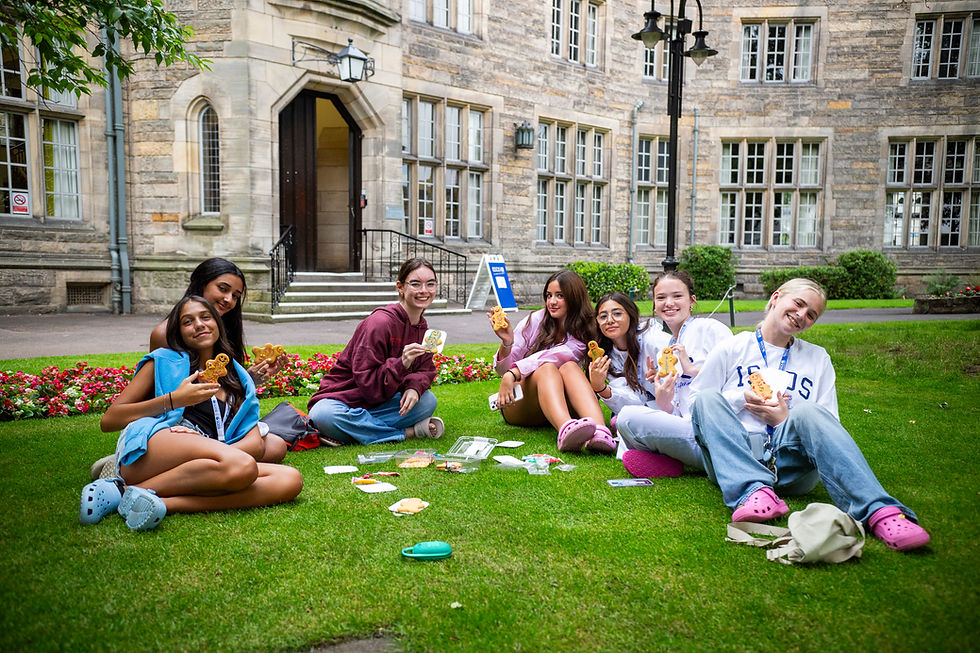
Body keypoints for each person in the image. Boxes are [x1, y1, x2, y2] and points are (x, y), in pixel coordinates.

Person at [689, 278, 930, 551]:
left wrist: (783, 419)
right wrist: (740, 397)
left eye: (811, 314)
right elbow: (696, 404)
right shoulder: (733, 347)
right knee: (709, 397)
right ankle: (752, 491)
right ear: (777, 297)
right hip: (736, 458)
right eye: (799, 304)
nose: (801, 315)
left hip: (792, 464)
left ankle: (881, 513)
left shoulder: (818, 358)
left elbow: (829, 426)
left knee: (807, 411)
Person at [78, 295, 303, 531]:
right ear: (179, 332)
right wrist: (175, 400)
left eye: (206, 317)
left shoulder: (239, 378)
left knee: (289, 480)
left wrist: (211, 456)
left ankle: (159, 502)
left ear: (218, 323)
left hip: (207, 462)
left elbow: (254, 443)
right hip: (156, 444)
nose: (198, 324)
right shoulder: (162, 361)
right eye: (188, 321)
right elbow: (109, 420)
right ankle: (117, 488)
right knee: (243, 465)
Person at [90, 258, 289, 476]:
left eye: (235, 296)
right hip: (176, 424)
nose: (228, 299)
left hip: (215, 428)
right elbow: (159, 387)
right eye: (222, 289)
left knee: (276, 446)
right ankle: (150, 460)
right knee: (250, 453)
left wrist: (250, 378)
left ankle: (217, 462)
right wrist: (175, 400)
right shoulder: (166, 340)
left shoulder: (222, 332)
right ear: (202, 283)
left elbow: (221, 389)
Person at [306, 258, 444, 444]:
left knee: (427, 401)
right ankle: (408, 432)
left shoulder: (422, 326)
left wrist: (414, 387)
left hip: (381, 403)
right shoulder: (379, 323)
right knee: (323, 416)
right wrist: (401, 364)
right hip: (345, 399)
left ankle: (351, 431)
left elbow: (425, 369)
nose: (424, 291)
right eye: (415, 284)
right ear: (400, 287)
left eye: (430, 284)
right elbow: (367, 384)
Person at [615, 271, 732, 478]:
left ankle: (706, 460)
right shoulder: (664, 353)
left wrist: (693, 370)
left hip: (716, 430)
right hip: (688, 430)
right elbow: (672, 410)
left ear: (692, 301)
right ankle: (680, 460)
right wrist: (663, 397)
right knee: (626, 417)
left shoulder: (709, 329)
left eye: (677, 296)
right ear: (654, 304)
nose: (669, 303)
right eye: (661, 298)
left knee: (628, 423)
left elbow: (735, 375)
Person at [492, 269, 613, 453]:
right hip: (524, 404)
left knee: (569, 366)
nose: (552, 302)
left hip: (563, 404)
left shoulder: (586, 332)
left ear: (574, 297)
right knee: (547, 368)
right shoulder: (535, 320)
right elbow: (503, 370)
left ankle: (600, 432)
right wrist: (507, 343)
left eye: (560, 296)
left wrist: (513, 373)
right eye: (549, 295)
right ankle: (565, 430)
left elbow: (558, 355)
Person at [586, 291, 665, 436]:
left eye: (617, 314)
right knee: (623, 418)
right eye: (603, 316)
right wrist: (600, 387)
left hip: (674, 407)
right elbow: (632, 400)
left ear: (631, 315)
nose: (609, 320)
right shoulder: (606, 357)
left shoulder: (653, 339)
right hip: (645, 409)